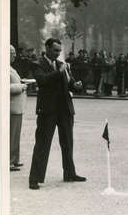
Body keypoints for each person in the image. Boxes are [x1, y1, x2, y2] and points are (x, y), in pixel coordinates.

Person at [28, 38, 86, 190]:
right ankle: (34, 179)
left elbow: (70, 84)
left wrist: (77, 85)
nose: (58, 53)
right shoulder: (38, 64)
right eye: (55, 50)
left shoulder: (62, 65)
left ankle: (70, 173)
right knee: (42, 144)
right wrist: (58, 72)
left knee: (68, 142)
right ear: (46, 48)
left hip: (65, 110)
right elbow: (42, 81)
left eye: (59, 51)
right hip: (47, 111)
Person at [10, 45, 27, 171]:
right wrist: (21, 87)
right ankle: (9, 160)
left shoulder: (11, 68)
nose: (14, 55)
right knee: (11, 135)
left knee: (16, 134)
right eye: (12, 53)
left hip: (17, 107)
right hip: (11, 106)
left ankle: (15, 159)